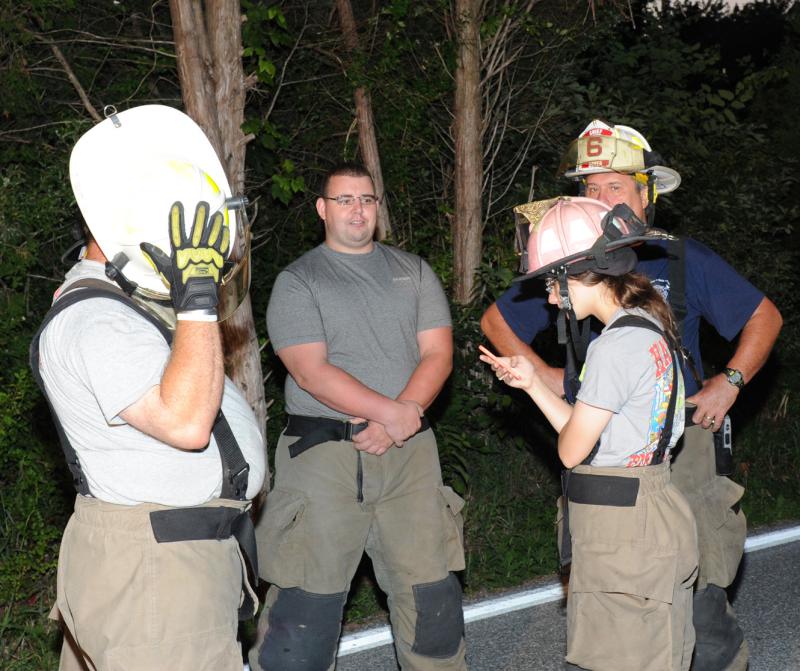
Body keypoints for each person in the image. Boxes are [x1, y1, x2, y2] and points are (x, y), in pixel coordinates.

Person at [481, 120, 782, 670]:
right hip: (597, 449)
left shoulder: (680, 260)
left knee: (701, 601)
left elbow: (764, 315)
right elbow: (497, 320)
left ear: (647, 194)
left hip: (679, 447)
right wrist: (548, 376)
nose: (599, 199)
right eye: (589, 189)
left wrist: (730, 381)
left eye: (614, 187)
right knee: (608, 601)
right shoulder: (570, 260)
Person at [30, 105, 266, 671]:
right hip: (156, 578)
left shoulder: (132, 309)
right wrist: (199, 298)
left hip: (163, 568)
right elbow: (186, 423)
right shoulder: (96, 319)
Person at [251, 163, 467, 671]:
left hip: (410, 456)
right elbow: (311, 372)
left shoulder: (412, 271)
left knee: (432, 599)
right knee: (305, 612)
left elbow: (438, 354)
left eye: (367, 199)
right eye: (345, 200)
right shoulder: (299, 281)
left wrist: (405, 417)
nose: (358, 209)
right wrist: (392, 413)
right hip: (325, 459)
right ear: (323, 210)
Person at [481, 196, 698, 671]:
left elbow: (571, 449)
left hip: (622, 529)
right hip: (649, 510)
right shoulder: (650, 326)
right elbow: (594, 438)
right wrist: (533, 383)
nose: (550, 299)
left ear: (577, 274)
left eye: (551, 285)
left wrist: (551, 406)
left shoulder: (614, 346)